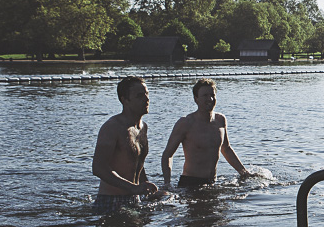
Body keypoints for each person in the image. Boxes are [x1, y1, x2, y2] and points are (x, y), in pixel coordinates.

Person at [161, 78, 251, 188]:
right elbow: (167, 154)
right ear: (196, 99)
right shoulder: (185, 123)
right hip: (190, 183)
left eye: (212, 95)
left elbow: (226, 149)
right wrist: (167, 183)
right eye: (205, 96)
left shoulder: (220, 120)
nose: (210, 99)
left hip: (212, 183)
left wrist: (244, 172)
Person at [92, 76, 159, 213]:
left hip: (134, 199)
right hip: (111, 200)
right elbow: (98, 167)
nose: (146, 99)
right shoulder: (112, 127)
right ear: (124, 100)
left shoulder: (142, 127)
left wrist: (147, 188)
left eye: (146, 94)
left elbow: (136, 163)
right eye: (139, 96)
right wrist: (133, 188)